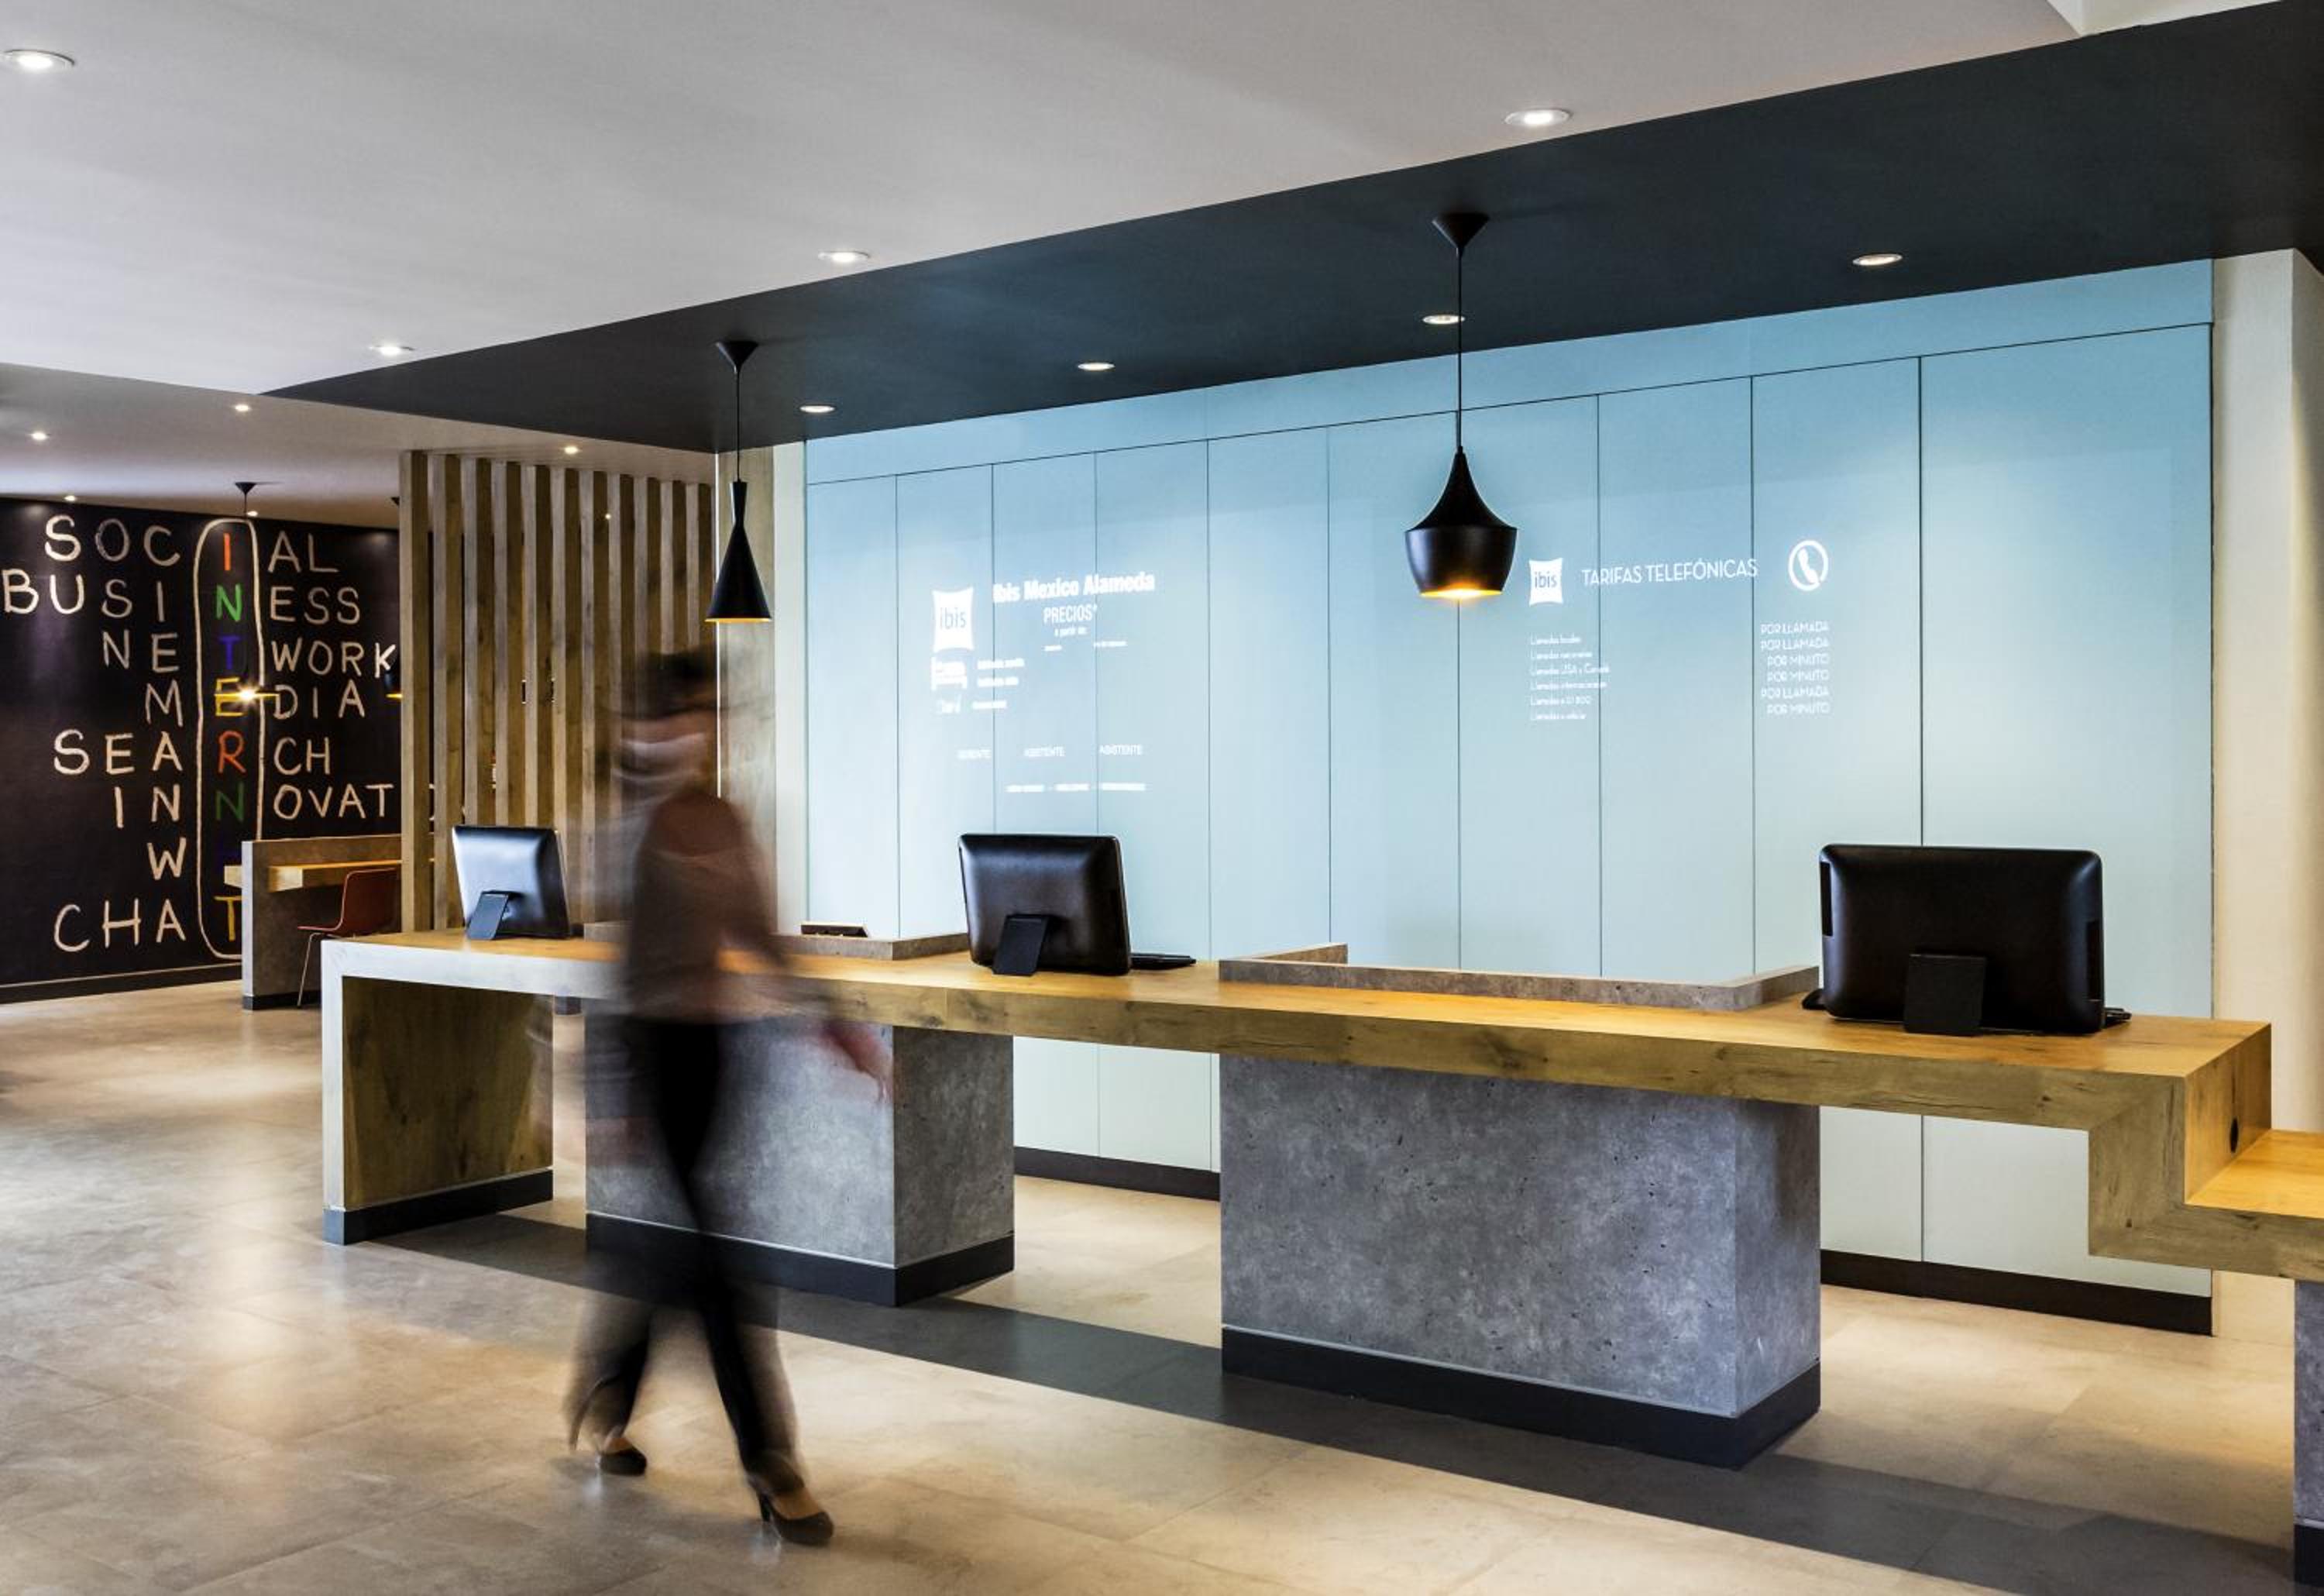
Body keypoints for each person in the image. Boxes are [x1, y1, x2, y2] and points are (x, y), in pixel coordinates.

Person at [565, 648, 887, 1543]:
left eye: (706, 713)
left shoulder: (728, 817)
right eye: (680, 712)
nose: (696, 729)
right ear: (644, 725)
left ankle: (605, 1394)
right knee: (715, 1266)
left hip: (717, 1054)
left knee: (680, 1248)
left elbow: (759, 935)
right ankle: (771, 1461)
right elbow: (618, 976)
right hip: (651, 1055)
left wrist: (837, 1024)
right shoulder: (627, 827)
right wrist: (609, 1094)